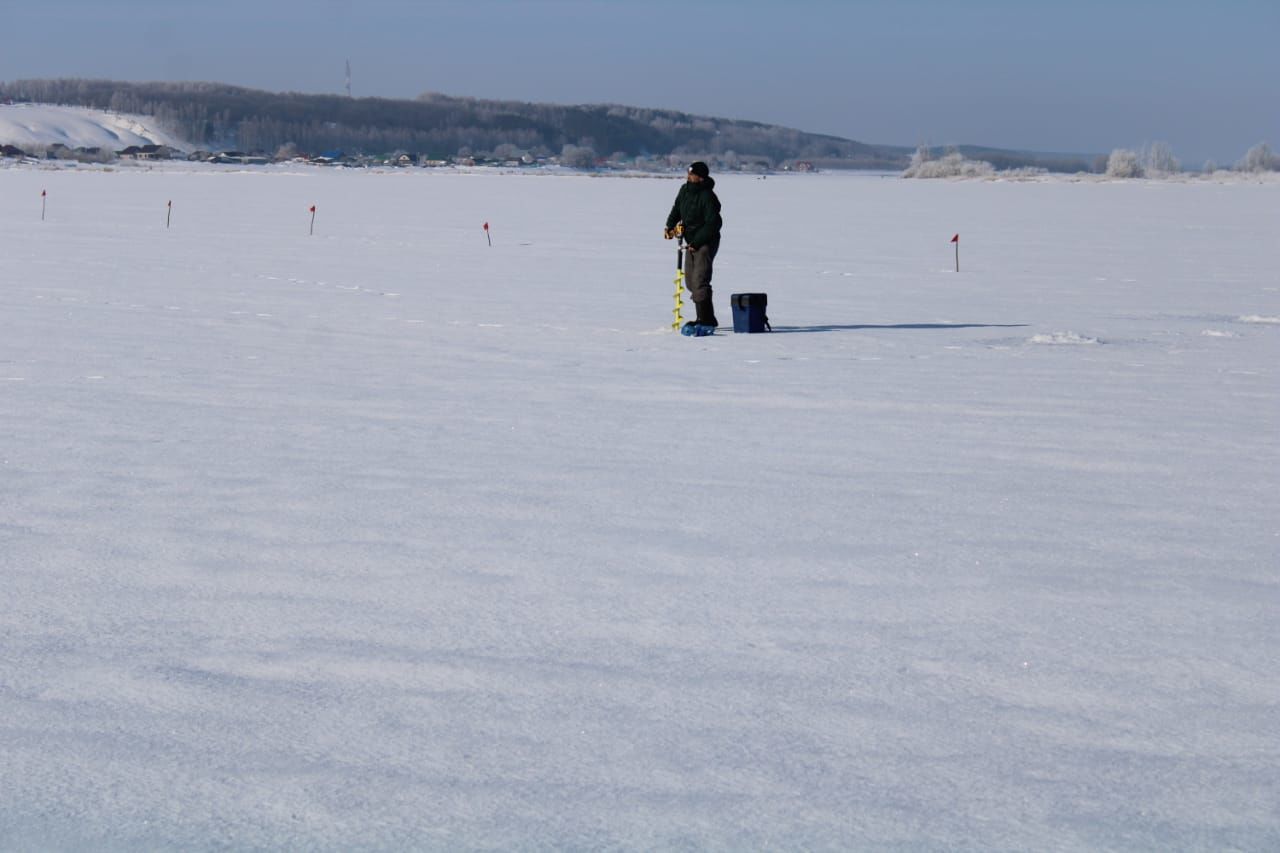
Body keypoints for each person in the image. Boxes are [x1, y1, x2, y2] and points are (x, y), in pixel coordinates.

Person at [665, 161, 722, 333]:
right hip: (690, 242)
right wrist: (670, 226)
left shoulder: (707, 196)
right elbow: (677, 209)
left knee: (699, 280)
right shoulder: (684, 190)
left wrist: (697, 242)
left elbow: (714, 223)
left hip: (705, 242)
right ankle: (708, 317)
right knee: (690, 282)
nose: (688, 176)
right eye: (688, 173)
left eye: (692, 174)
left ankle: (704, 319)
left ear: (701, 176)